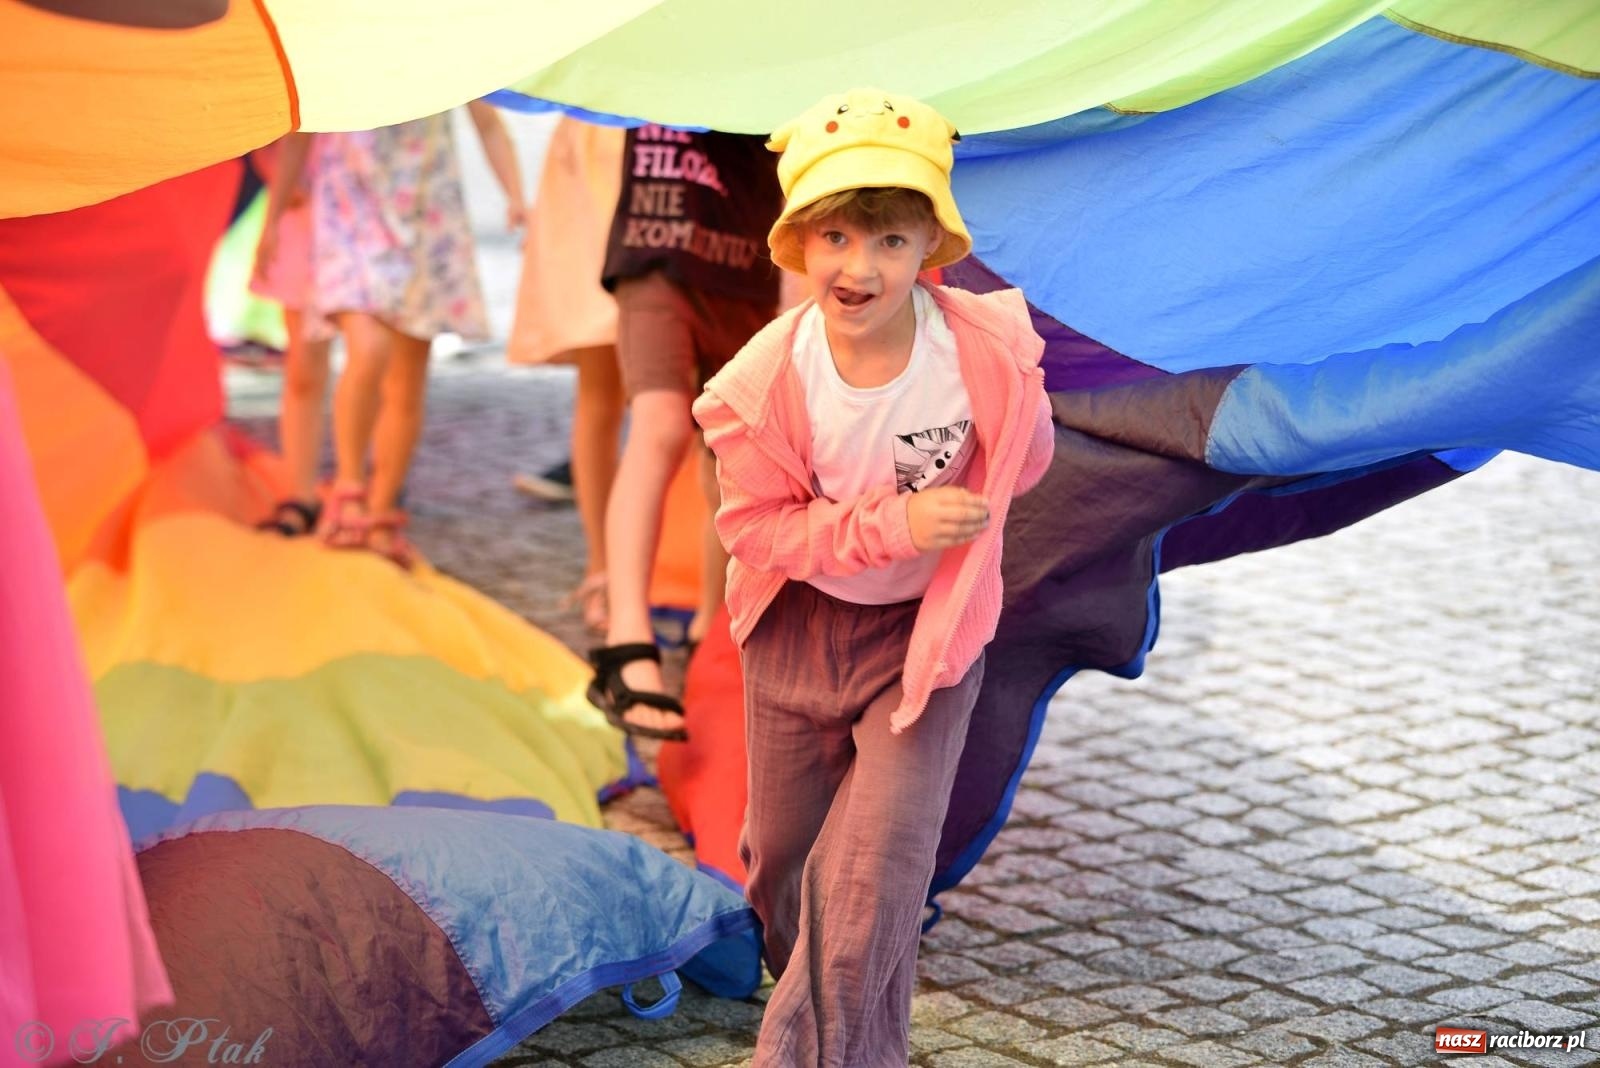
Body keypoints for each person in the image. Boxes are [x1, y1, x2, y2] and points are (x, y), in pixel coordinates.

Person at [691, 88, 1055, 1066]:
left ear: (930, 245)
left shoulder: (985, 353)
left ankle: (816, 1053)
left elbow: (1026, 460)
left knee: (877, 871)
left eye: (891, 240)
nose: (861, 267)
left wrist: (993, 465)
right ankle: (813, 990)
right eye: (837, 237)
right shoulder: (760, 384)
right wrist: (898, 522)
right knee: (785, 867)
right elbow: (757, 530)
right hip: (797, 630)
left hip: (923, 640)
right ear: (799, 241)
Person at [256, 102, 524, 566]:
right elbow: (300, 130)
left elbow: (489, 122)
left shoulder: (450, 58)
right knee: (369, 347)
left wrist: (516, 195)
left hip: (424, 210)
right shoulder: (339, 59)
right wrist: (273, 215)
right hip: (352, 206)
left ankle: (381, 513)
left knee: (407, 377)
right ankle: (350, 488)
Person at [584, 123, 783, 739]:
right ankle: (627, 644)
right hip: (657, 249)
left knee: (730, 452)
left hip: (747, 261)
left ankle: (712, 626)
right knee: (662, 422)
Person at [507, 117, 628, 631]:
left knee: (674, 404)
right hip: (601, 148)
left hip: (655, 146)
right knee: (605, 391)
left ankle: (648, 568)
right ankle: (604, 565)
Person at [251, 136, 333, 536]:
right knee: (304, 368)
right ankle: (301, 493)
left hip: (376, 215)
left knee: (378, 363)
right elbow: (275, 135)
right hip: (308, 214)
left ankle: (371, 486)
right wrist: (276, 203)